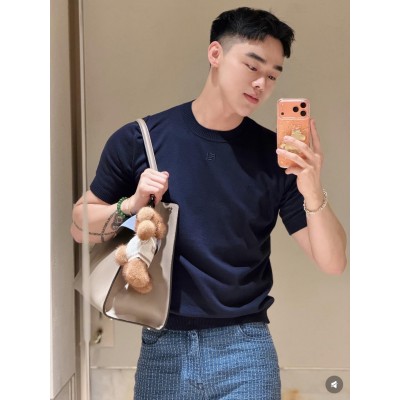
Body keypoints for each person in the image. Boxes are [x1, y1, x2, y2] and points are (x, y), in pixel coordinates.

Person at [71, 6, 347, 400]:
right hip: (163, 347)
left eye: (272, 75)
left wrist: (313, 187)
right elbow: (79, 225)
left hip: (246, 350)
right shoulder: (140, 140)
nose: (261, 84)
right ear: (215, 54)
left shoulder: (274, 157)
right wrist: (130, 205)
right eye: (252, 66)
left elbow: (333, 262)